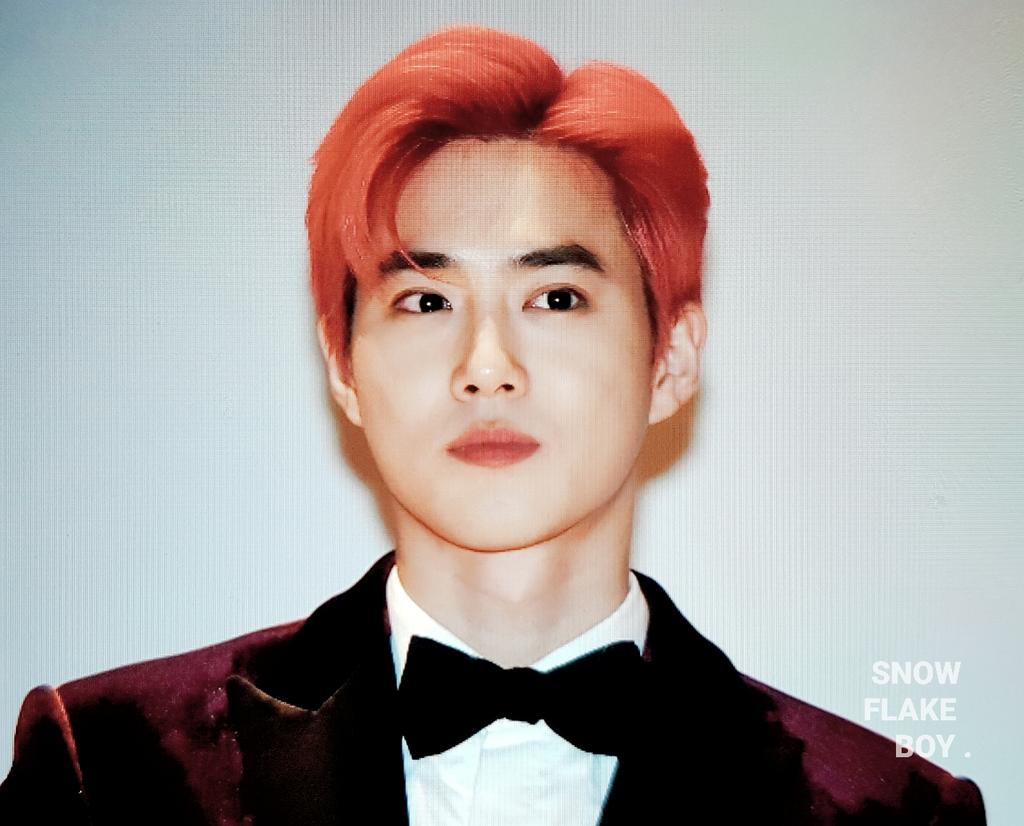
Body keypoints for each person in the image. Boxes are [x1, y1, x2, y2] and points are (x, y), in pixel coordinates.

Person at [0, 24, 986, 825]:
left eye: (555, 298)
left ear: (672, 358)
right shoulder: (112, 766)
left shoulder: (889, 809)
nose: (485, 366)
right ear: (342, 364)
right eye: (426, 301)